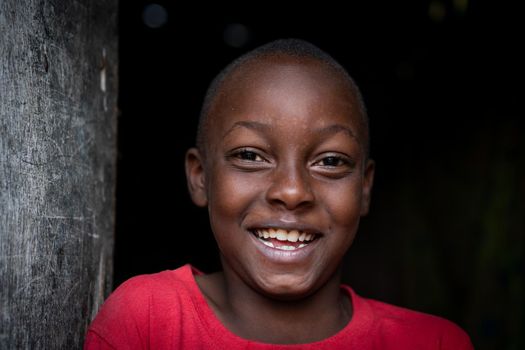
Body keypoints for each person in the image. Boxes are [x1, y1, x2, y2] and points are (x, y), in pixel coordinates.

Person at [84, 39, 474, 349]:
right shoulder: (150, 321)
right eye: (250, 156)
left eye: (331, 161)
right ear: (200, 177)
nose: (291, 191)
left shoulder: (432, 343)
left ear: (365, 187)